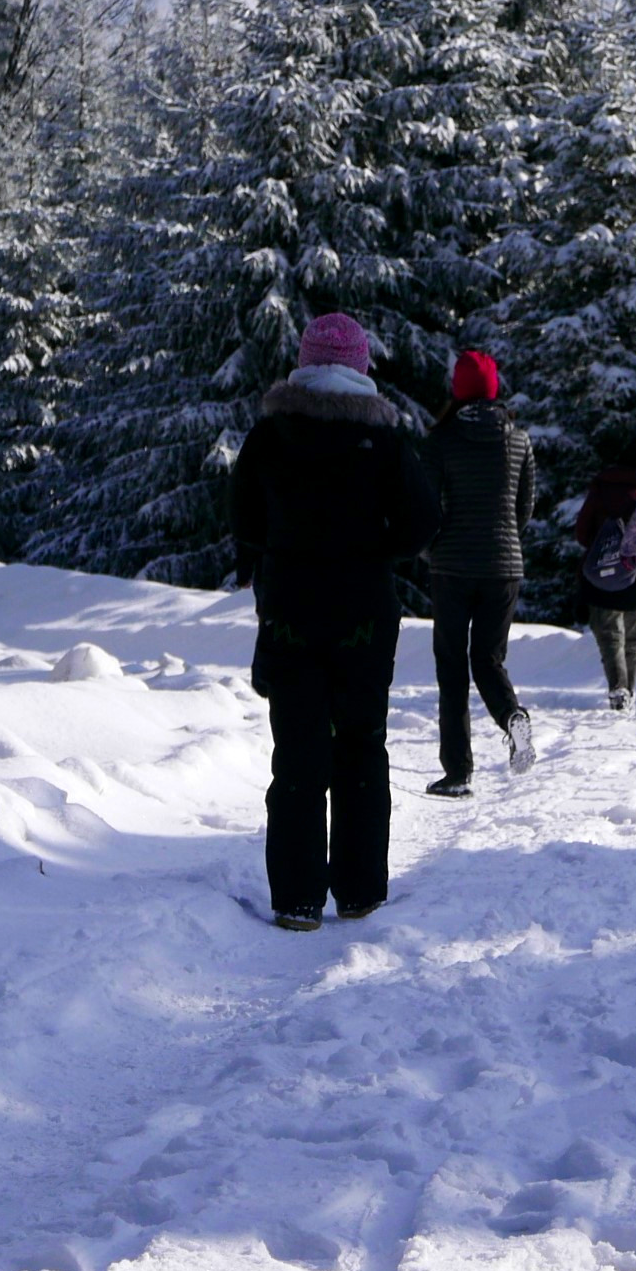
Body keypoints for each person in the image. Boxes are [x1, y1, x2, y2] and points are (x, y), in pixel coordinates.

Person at [229, 313, 443, 931]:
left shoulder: (270, 434)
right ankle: (359, 891)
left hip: (291, 610)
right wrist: (374, 545)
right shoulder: (385, 440)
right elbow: (422, 524)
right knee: (360, 748)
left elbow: (242, 517)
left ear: (304, 361)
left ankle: (296, 899)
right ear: (360, 367)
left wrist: (280, 545)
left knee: (296, 755)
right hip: (364, 616)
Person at [424, 348, 537, 796]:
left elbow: (429, 508)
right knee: (488, 660)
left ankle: (458, 773)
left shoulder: (441, 440)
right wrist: (503, 540)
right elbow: (524, 508)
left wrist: (433, 548)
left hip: (452, 566)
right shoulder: (519, 439)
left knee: (452, 668)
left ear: (457, 389)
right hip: (504, 567)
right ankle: (513, 719)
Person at [574, 436, 636, 713]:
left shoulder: (602, 487)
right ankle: (628, 692)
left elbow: (582, 532)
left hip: (604, 573)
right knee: (634, 640)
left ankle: (618, 689)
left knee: (610, 636)